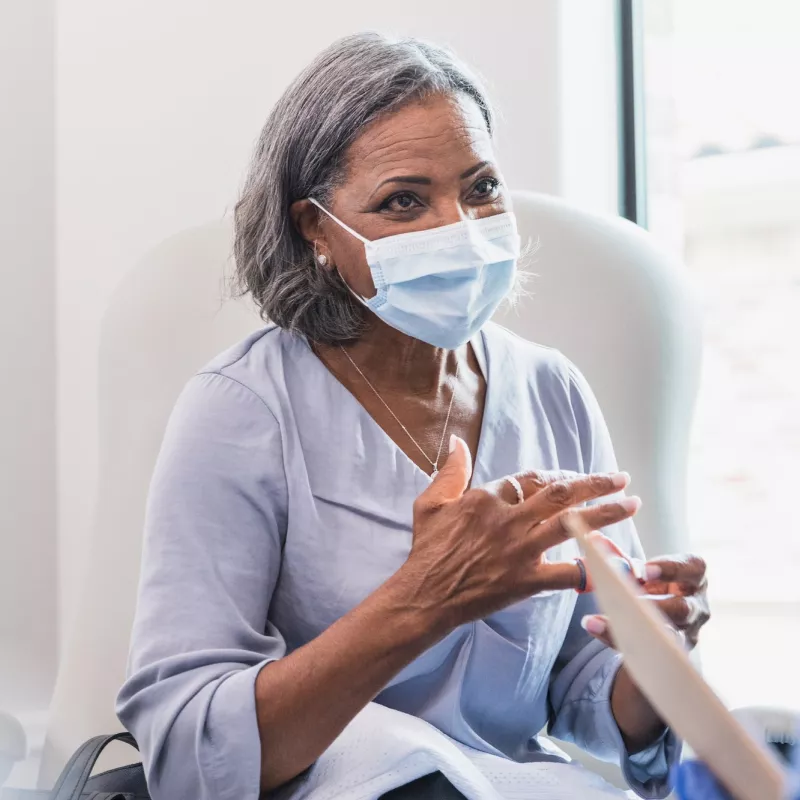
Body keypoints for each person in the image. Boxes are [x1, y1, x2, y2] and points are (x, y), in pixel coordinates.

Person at [116, 32, 710, 800]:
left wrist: (655, 654)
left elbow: (581, 695)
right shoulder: (242, 410)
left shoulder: (551, 388)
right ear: (316, 229)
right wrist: (424, 598)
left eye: (481, 188)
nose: (459, 228)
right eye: (403, 201)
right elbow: (189, 751)